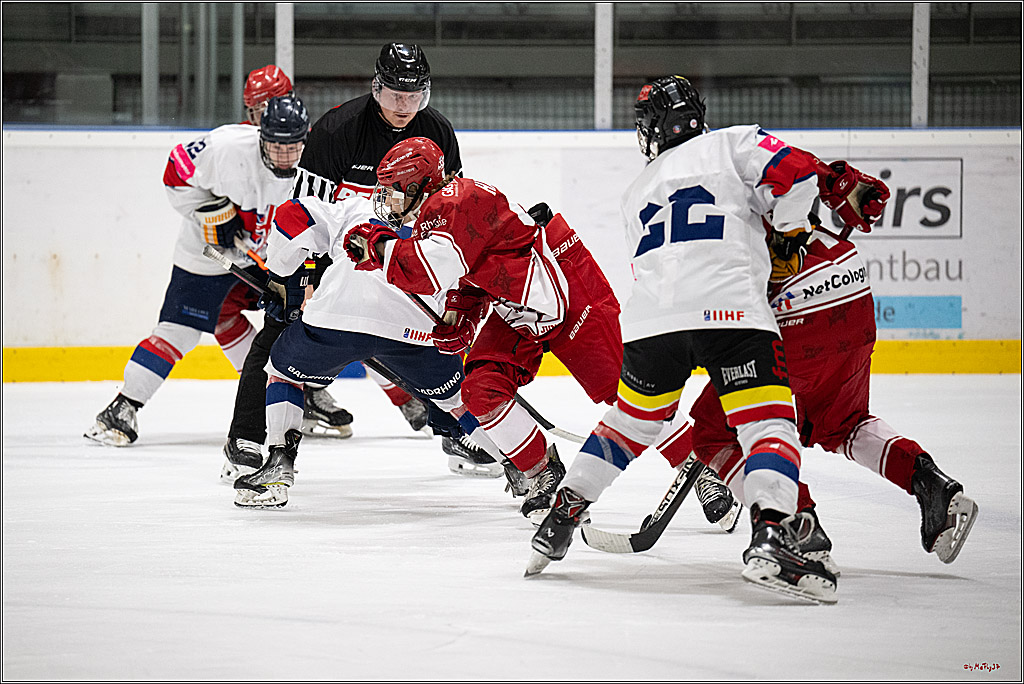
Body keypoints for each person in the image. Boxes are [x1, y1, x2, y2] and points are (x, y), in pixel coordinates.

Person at [525, 75, 890, 603]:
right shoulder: (735, 142)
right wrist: (789, 234)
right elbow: (799, 176)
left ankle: (559, 519)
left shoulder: (638, 189)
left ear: (652, 130)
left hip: (653, 322)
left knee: (630, 423)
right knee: (765, 424)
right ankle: (772, 536)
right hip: (732, 311)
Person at [341, 136, 740, 529]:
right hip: (517, 304)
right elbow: (477, 269)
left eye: (393, 190)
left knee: (627, 392)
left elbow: (427, 270)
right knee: (481, 389)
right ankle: (542, 470)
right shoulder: (443, 208)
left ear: (417, 184)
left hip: (567, 288)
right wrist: (461, 314)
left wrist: (378, 247)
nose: (387, 200)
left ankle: (703, 466)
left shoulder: (451, 204)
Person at [222, 43, 487, 477]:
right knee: (278, 328)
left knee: (442, 341)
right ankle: (247, 438)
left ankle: (455, 433)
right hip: (339, 253)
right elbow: (305, 214)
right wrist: (299, 279)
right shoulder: (338, 130)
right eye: (395, 95)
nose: (405, 106)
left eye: (414, 95)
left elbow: (450, 208)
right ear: (377, 88)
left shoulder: (438, 130)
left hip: (404, 258)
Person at [680, 215, 979, 570]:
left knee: (713, 433)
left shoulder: (701, 191)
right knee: (843, 423)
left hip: (798, 317)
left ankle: (796, 525)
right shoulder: (780, 163)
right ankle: (929, 481)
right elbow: (860, 192)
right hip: (851, 294)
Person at [232, 194, 509, 508]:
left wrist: (284, 279)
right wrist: (457, 321)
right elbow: (478, 279)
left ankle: (280, 461)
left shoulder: (355, 206)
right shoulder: (452, 222)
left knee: (283, 372)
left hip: (339, 315)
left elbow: (292, 214)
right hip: (415, 331)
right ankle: (521, 468)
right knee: (455, 399)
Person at [85, 95, 311, 449]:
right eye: (275, 146)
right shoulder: (227, 147)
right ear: (259, 135)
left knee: (292, 326)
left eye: (293, 147)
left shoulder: (315, 165)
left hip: (271, 256)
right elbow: (175, 169)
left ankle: (293, 398)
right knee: (180, 331)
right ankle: (123, 407)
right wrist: (209, 209)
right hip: (206, 255)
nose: (284, 156)